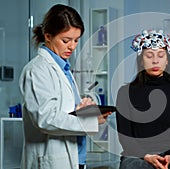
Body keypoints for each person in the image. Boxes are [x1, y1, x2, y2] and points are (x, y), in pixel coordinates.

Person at [19, 4, 110, 169]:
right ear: (48, 36)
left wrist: (88, 106)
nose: (72, 46)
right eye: (66, 40)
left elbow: (66, 107)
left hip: (76, 158)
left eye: (76, 40)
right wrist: (89, 122)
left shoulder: (64, 68)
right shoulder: (37, 70)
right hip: (52, 159)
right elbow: (46, 118)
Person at [115, 29, 170, 169]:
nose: (155, 61)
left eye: (160, 55)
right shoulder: (125, 93)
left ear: (167, 61)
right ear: (141, 61)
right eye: (149, 56)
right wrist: (147, 156)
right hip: (137, 155)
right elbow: (125, 136)